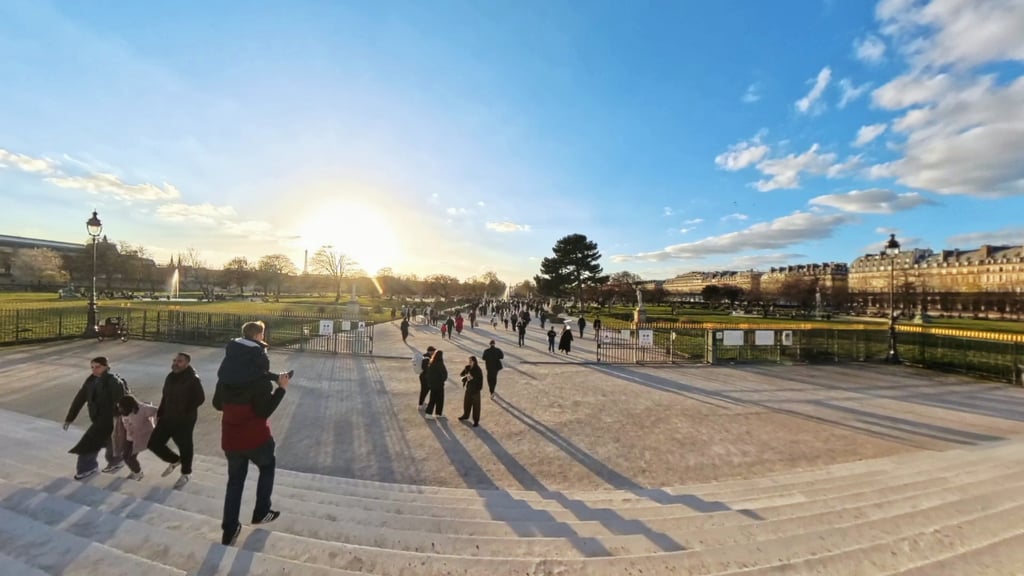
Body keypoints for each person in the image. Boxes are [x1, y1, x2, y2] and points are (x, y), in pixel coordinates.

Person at [213, 320, 292, 546]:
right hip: (255, 437)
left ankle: (229, 529)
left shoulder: (226, 375)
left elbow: (218, 404)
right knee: (267, 467)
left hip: (230, 437)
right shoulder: (258, 380)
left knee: (234, 483)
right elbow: (264, 411)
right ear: (259, 337)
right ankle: (261, 511)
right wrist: (281, 389)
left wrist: (270, 377)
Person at [148, 352, 205, 490]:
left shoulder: (193, 379)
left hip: (184, 420)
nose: (175, 363)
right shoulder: (171, 376)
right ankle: (174, 460)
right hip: (167, 416)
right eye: (174, 360)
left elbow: (200, 398)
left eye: (179, 361)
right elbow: (165, 395)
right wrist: (161, 411)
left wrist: (185, 410)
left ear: (187, 363)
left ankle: (186, 473)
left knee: (185, 446)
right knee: (153, 443)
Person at [63, 356, 125, 480]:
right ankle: (117, 460)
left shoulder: (113, 381)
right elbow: (79, 399)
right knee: (108, 440)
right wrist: (70, 418)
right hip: (97, 418)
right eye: (92, 367)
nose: (94, 370)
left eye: (98, 367)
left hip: (109, 419)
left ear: (106, 367)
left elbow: (121, 401)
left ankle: (87, 467)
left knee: (88, 443)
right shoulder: (90, 381)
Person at [116, 394, 158, 481]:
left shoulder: (143, 409)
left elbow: (157, 411)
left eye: (121, 407)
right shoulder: (123, 412)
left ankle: (138, 473)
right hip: (130, 437)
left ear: (129, 406)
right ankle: (135, 470)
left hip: (141, 437)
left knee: (130, 457)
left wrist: (156, 424)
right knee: (125, 456)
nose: (120, 409)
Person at [458, 356, 484, 427]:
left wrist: (472, 378)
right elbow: (461, 374)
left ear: (474, 361)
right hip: (469, 388)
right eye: (469, 361)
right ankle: (465, 415)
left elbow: (480, 380)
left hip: (475, 390)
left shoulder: (478, 370)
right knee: (466, 403)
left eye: (471, 361)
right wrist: (466, 377)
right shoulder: (467, 367)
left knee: (476, 407)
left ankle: (476, 421)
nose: (470, 362)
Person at [423, 349, 448, 419]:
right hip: (439, 385)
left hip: (433, 384)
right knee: (439, 399)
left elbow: (428, 374)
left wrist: (430, 383)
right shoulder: (440, 364)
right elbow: (444, 374)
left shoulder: (432, 362)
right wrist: (442, 380)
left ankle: (436, 413)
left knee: (434, 399)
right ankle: (433, 413)